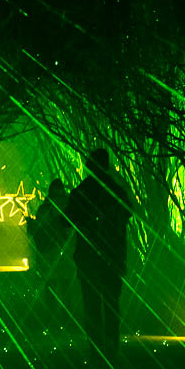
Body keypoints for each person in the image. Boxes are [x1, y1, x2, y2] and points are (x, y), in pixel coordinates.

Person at [63, 149, 134, 353]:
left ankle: (95, 349)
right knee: (112, 302)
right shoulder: (116, 191)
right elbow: (128, 212)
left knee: (91, 304)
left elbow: (66, 219)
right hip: (113, 255)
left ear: (89, 166)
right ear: (106, 166)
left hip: (88, 256)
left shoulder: (81, 191)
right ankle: (112, 347)